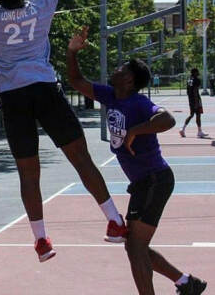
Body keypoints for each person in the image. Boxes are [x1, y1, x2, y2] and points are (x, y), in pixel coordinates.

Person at [0, 0, 126, 263]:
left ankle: (42, 240)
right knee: (80, 157)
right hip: (44, 90)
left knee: (29, 173)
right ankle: (113, 221)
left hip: (13, 98)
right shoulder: (42, 7)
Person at [66, 26, 207, 295]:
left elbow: (168, 119)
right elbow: (76, 81)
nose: (116, 69)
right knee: (134, 246)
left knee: (135, 248)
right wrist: (72, 51)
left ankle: (179, 285)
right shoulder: (110, 95)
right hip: (143, 183)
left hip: (155, 179)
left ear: (130, 80)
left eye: (122, 68)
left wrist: (135, 130)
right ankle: (186, 283)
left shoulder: (139, 103)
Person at [179, 68, 205, 138]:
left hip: (190, 99)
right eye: (197, 72)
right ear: (195, 73)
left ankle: (183, 128)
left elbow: (188, 91)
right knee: (198, 115)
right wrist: (197, 102)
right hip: (195, 99)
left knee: (192, 115)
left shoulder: (189, 80)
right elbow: (195, 91)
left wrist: (191, 100)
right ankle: (199, 131)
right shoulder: (196, 80)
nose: (198, 73)